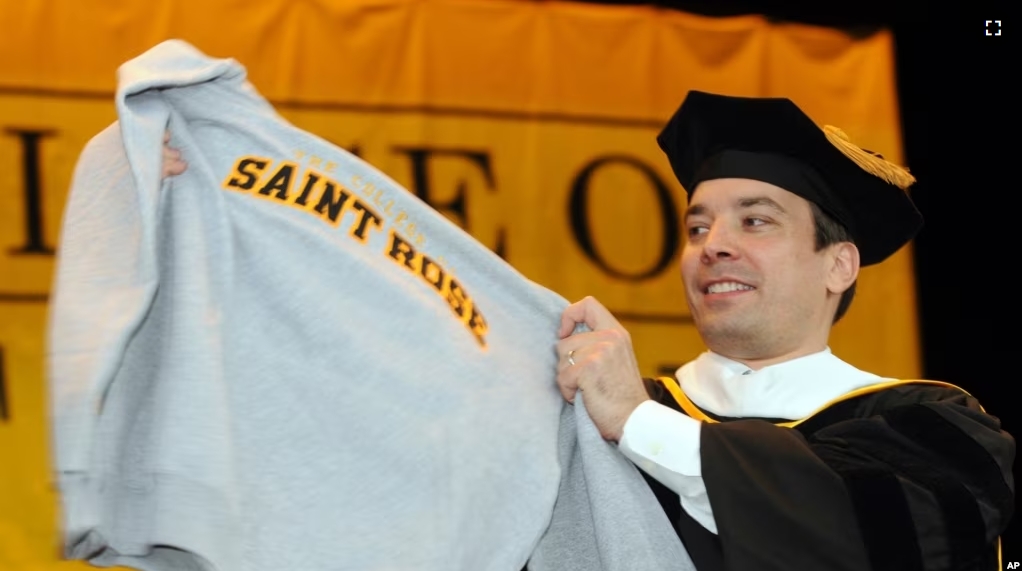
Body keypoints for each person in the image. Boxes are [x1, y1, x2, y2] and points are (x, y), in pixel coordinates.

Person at [554, 91, 1014, 570]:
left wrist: (637, 423)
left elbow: (855, 536)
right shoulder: (602, 412)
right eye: (697, 228)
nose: (714, 246)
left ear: (838, 266)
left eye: (755, 221)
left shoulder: (932, 428)